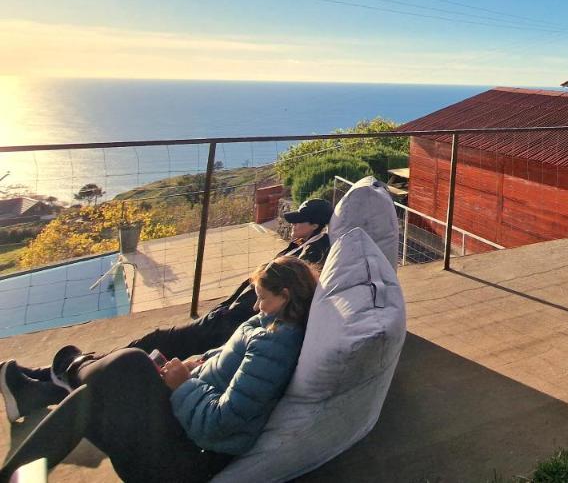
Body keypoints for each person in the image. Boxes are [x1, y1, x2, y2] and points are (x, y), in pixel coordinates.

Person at [1, 197, 332, 421]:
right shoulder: (302, 246)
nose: (292, 225)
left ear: (316, 226)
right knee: (139, 353)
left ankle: (40, 388)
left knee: (140, 357)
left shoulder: (310, 258)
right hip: (220, 321)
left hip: (222, 331)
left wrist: (228, 320)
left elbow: (270, 307)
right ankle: (39, 382)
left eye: (300, 222)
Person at [0, 256, 317, 483]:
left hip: (188, 458)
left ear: (285, 295)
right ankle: (61, 377)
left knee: (127, 366)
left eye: (261, 298)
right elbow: (224, 359)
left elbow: (222, 424)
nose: (254, 305)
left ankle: (70, 369)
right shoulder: (268, 323)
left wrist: (183, 385)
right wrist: (197, 364)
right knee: (108, 386)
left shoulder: (276, 346)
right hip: (183, 426)